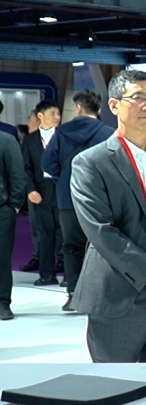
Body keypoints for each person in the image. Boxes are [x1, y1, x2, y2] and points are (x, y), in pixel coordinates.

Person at [67, 71, 146, 361]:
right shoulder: (91, 162)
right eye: (138, 98)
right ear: (114, 105)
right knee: (116, 380)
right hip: (117, 293)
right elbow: (100, 230)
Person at [43, 89, 113, 311]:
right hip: (101, 197)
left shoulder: (61, 133)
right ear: (98, 109)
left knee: (72, 246)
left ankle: (74, 295)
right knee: (103, 245)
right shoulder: (109, 133)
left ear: (78, 108)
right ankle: (100, 295)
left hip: (68, 197)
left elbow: (47, 163)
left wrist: (65, 176)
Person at [22, 100, 62, 286]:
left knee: (66, 233)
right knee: (44, 234)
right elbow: (25, 168)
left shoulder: (64, 137)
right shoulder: (30, 140)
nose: (57, 117)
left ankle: (69, 275)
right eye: (52, 113)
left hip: (62, 190)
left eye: (58, 113)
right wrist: (30, 189)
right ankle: (47, 274)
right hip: (40, 192)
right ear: (40, 116)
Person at [0, 128, 24, 321]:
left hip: (2, 209)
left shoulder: (6, 141)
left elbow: (17, 173)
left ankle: (2, 302)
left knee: (2, 258)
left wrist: (15, 204)